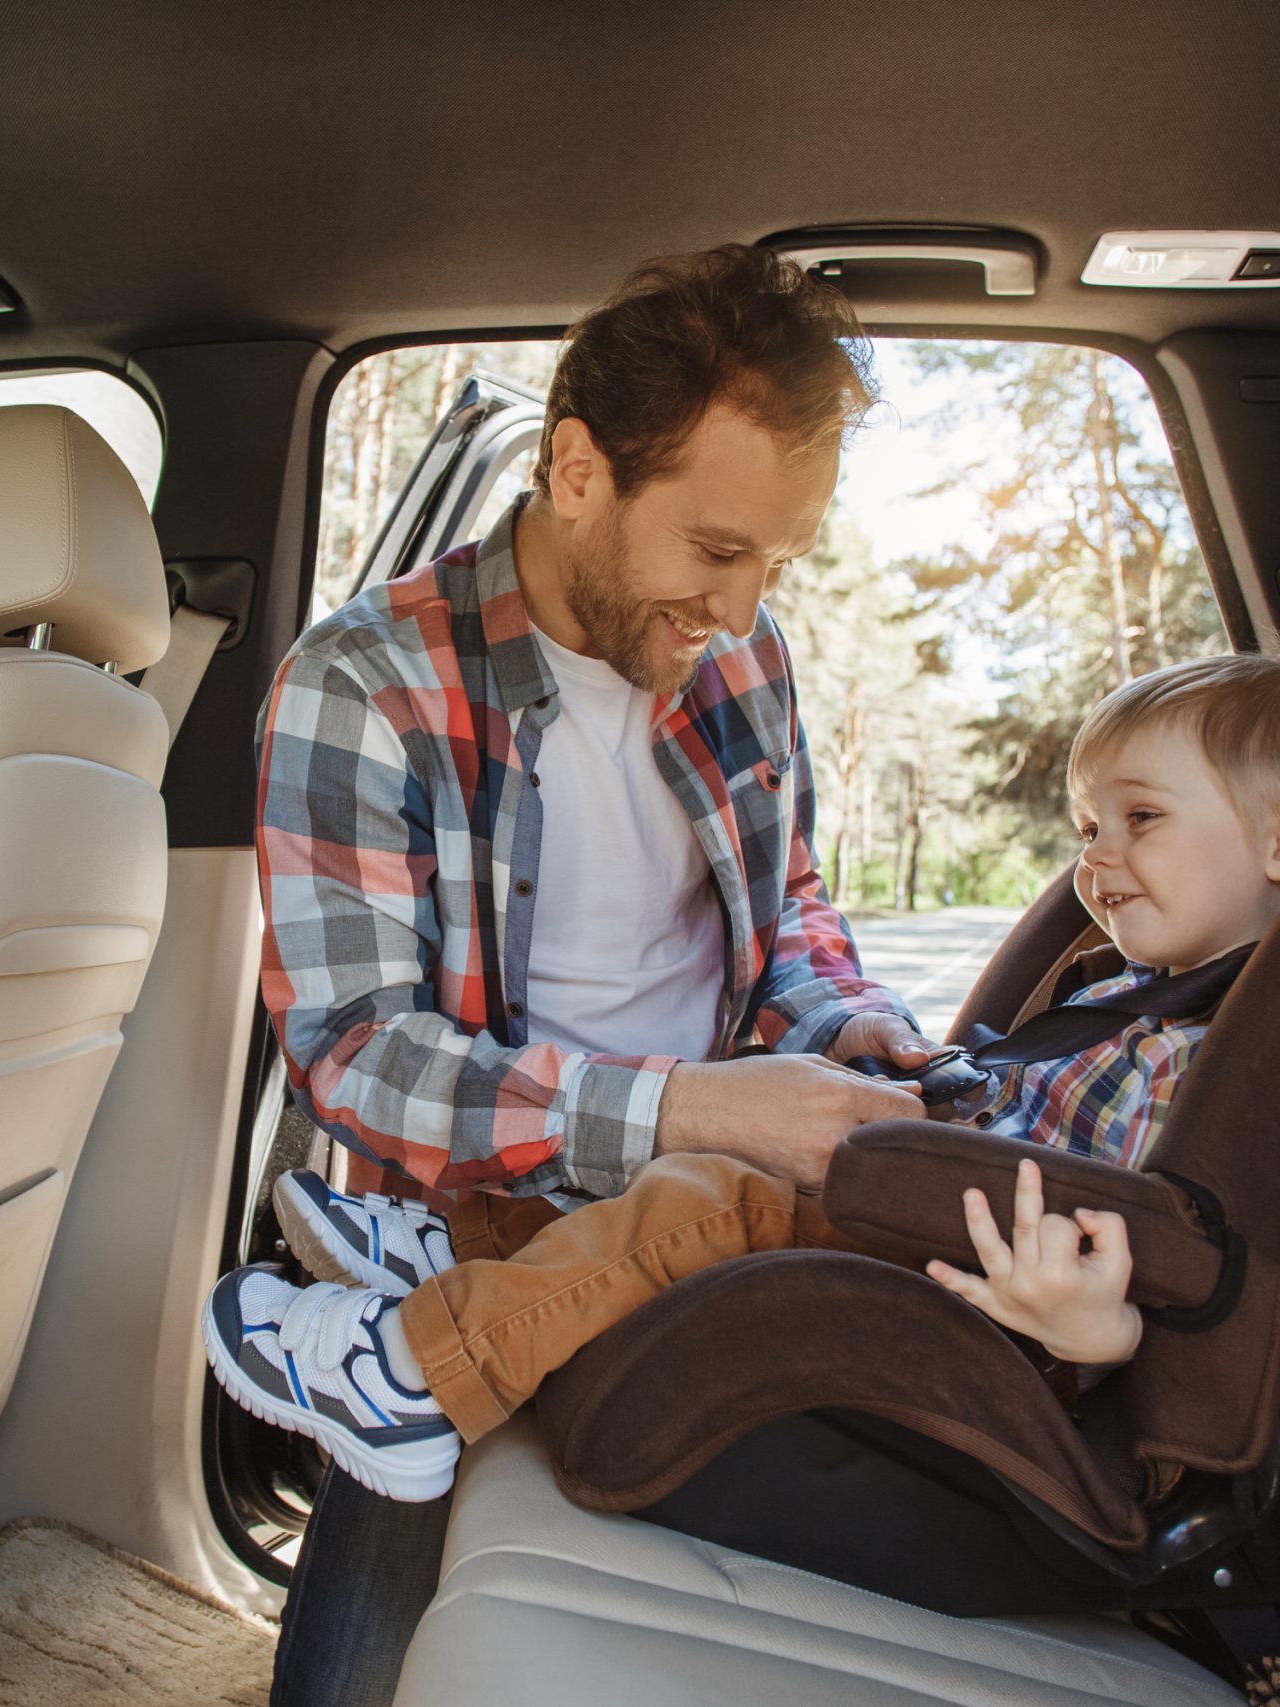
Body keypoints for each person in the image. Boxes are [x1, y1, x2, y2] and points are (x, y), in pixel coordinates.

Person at [243, 246, 936, 1703]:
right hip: (460, 1221)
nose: (744, 611)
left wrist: (845, 1025)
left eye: (775, 564)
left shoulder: (747, 666)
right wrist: (696, 1109)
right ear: (576, 470)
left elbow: (789, 906)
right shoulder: (363, 682)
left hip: (709, 1207)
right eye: (716, 550)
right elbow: (362, 1052)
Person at [209, 652, 1280, 1504]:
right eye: (1084, 825)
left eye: (1139, 818)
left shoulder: (1212, 1058)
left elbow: (1179, 1264)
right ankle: (480, 1251)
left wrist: (1095, 1328)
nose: (1094, 858)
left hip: (993, 1316)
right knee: (733, 1131)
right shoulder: (1133, 1000)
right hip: (941, 1221)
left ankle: (420, 1376)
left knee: (722, 1195)